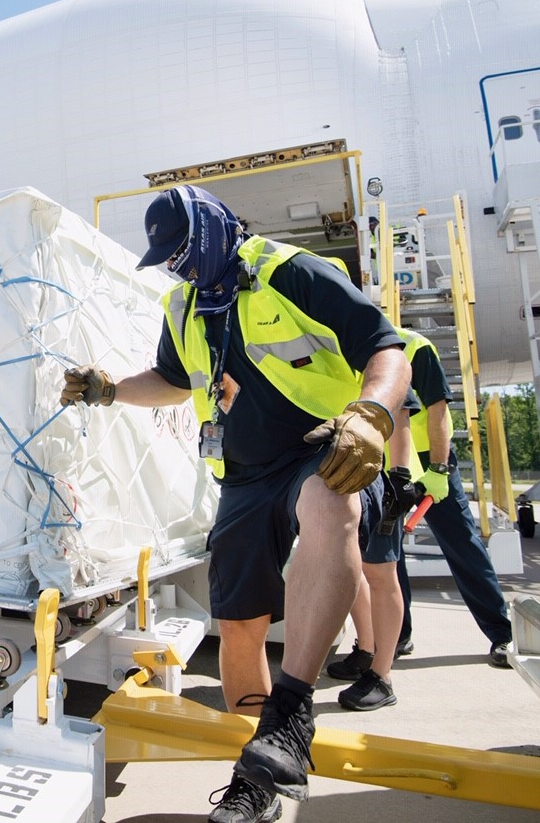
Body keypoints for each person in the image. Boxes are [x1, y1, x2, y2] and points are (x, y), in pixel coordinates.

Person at [60, 185, 409, 823]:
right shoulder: (182, 305)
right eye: (169, 258)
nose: (179, 266)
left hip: (320, 446)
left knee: (333, 509)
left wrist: (373, 416)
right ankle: (259, 774)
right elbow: (171, 380)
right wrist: (109, 389)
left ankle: (291, 711)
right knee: (239, 627)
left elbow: (387, 348)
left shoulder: (292, 271)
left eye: (187, 250)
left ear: (220, 230)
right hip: (244, 474)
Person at [388, 327, 512, 667]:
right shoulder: (359, 343)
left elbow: (438, 409)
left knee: (463, 547)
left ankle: (502, 635)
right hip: (391, 463)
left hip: (430, 462)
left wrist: (440, 470)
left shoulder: (416, 346)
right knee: (388, 558)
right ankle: (397, 637)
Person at [325, 402, 422, 711]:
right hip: (345, 472)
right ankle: (366, 650)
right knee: (351, 566)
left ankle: (382, 676)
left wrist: (400, 475)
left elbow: (400, 413)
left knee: (380, 572)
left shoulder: (388, 355)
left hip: (382, 478)